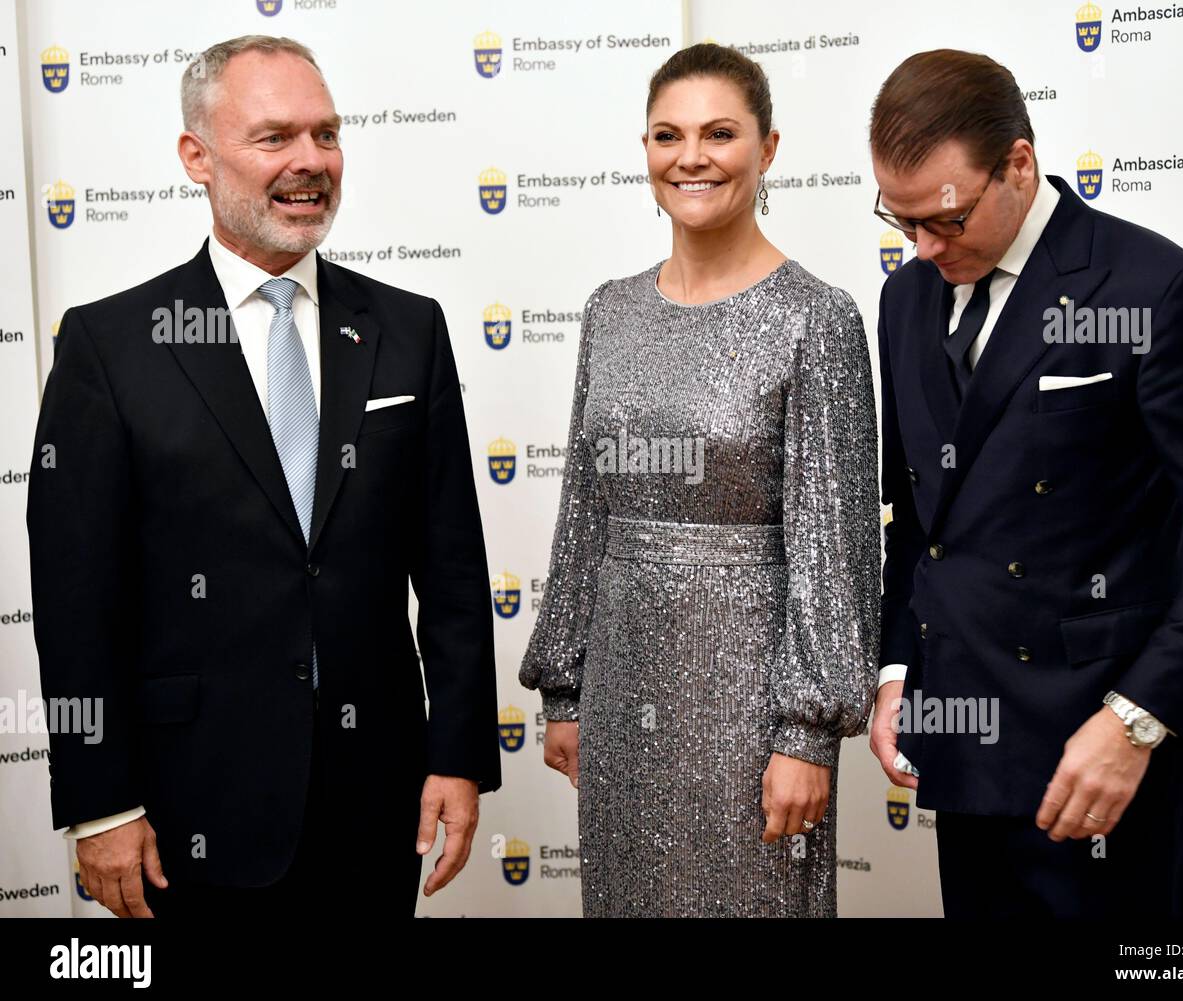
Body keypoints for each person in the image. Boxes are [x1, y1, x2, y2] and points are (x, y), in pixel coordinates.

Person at [26, 35, 500, 918]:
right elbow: (75, 602)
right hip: (187, 816)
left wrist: (458, 754)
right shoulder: (110, 348)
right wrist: (101, 802)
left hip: (375, 806)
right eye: (275, 137)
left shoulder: (408, 329)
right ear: (196, 157)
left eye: (326, 134)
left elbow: (453, 574)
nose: (310, 162)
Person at [866, 49, 1183, 917]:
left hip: (1103, 761)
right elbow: (918, 515)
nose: (922, 247)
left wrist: (1136, 720)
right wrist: (897, 669)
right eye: (899, 219)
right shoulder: (907, 296)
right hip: (962, 750)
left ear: (1019, 165)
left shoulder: (1157, 288)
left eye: (945, 219)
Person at [519, 43, 879, 918]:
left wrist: (807, 734)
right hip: (619, 688)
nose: (692, 157)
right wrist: (564, 686)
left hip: (749, 708)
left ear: (769, 148)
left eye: (720, 134)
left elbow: (835, 549)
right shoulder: (610, 309)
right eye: (667, 135)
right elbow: (585, 512)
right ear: (644, 148)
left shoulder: (816, 318)